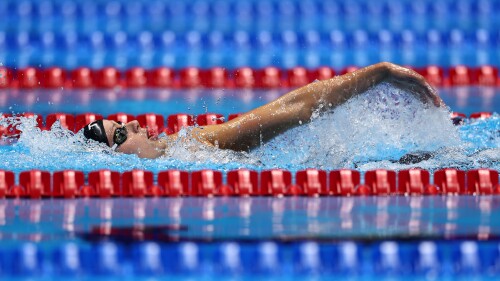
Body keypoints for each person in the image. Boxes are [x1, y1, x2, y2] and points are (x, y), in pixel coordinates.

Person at [83, 62, 444, 159]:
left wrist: (376, 73)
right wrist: (378, 73)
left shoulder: (191, 144)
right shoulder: (188, 153)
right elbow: (295, 109)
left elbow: (290, 109)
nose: (132, 122)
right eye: (120, 133)